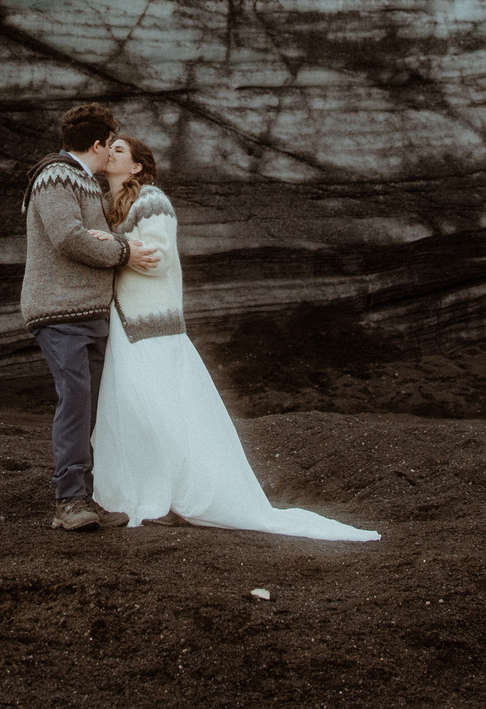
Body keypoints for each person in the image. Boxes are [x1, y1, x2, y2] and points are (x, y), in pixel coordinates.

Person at [89, 136, 380, 541]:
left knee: (160, 412)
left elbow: (157, 259)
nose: (111, 153)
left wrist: (115, 245)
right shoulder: (107, 205)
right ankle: (149, 494)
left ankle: (174, 498)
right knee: (130, 411)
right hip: (126, 326)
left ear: (137, 167)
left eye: (120, 150)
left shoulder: (152, 200)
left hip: (155, 327)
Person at [19, 102, 164, 530]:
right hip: (59, 310)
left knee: (92, 406)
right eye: (111, 144)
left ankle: (86, 495)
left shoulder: (81, 181)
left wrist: (116, 241)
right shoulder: (56, 176)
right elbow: (67, 237)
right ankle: (70, 500)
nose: (113, 152)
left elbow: (91, 234)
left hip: (88, 313)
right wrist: (125, 252)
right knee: (77, 402)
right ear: (98, 144)